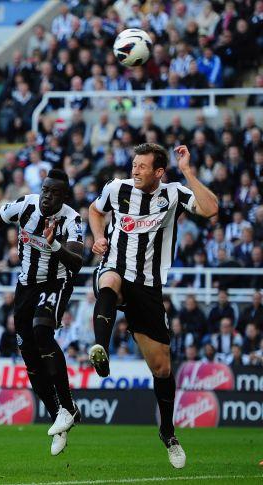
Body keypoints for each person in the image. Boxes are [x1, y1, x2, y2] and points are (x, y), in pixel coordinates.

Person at [89, 144, 218, 469]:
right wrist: (99, 236)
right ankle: (100, 350)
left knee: (161, 368)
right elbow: (94, 210)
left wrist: (187, 171)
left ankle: (167, 431)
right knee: (109, 282)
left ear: (159, 172)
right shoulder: (117, 188)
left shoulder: (174, 194)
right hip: (115, 267)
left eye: (142, 166)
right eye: (134, 164)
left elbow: (211, 208)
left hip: (147, 287)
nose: (135, 170)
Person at [0, 169, 84, 456]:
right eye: (45, 190)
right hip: (26, 287)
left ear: (64, 196)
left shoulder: (72, 220)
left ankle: (68, 406)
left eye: (54, 193)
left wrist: (54, 244)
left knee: (41, 330)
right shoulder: (26, 205)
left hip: (57, 281)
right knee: (31, 362)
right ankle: (60, 417)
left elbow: (77, 263)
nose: (47, 196)